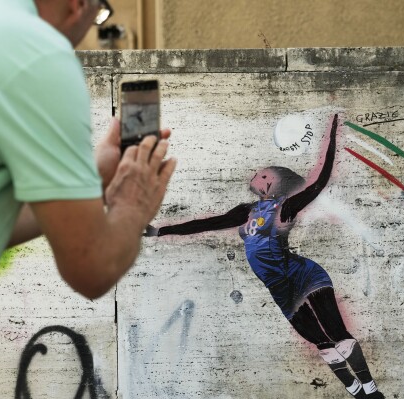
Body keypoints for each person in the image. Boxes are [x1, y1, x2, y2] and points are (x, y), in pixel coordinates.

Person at [0, 0, 176, 369]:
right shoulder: (35, 50)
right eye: (101, 12)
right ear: (78, 5)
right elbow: (91, 266)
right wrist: (133, 204)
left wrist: (90, 175)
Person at [146, 115, 385, 399]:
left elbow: (319, 183)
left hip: (303, 275)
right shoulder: (244, 212)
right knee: (322, 344)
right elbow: (204, 224)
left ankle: (371, 391)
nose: (258, 175)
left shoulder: (285, 208)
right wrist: (159, 232)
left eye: (264, 173)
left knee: (338, 335)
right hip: (279, 287)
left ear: (273, 182)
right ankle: (360, 393)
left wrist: (331, 138)